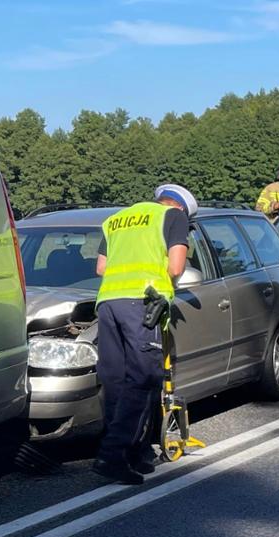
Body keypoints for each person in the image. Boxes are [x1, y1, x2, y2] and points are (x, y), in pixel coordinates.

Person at [91, 184, 194, 485]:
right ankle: (111, 455)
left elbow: (101, 267)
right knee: (145, 377)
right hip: (143, 302)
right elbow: (175, 267)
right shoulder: (173, 218)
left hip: (108, 303)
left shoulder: (117, 219)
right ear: (181, 208)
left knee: (116, 380)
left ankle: (132, 453)